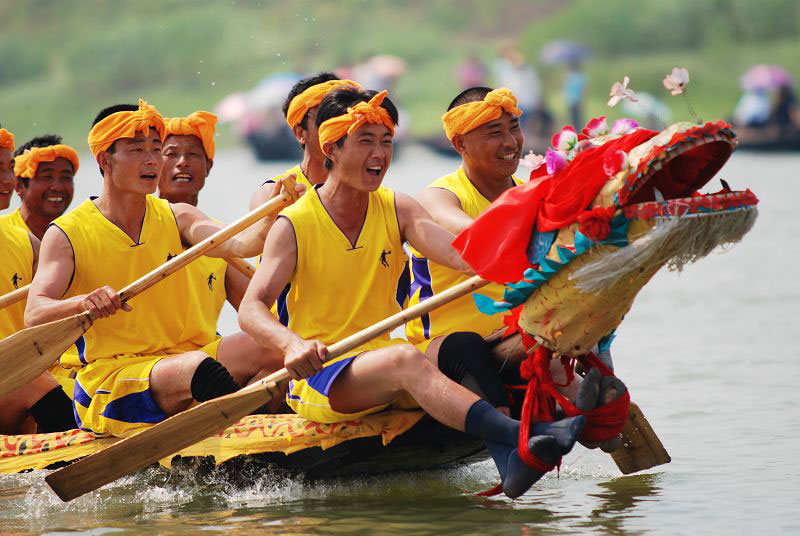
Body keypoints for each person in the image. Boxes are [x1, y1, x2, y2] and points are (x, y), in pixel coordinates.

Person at [239, 88, 584, 499]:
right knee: (406, 359)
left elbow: (462, 257)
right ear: (331, 147)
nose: (379, 155)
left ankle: (512, 460)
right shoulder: (292, 224)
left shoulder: (398, 207)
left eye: (386, 142)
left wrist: (558, 245)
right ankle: (522, 439)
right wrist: (291, 344)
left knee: (456, 349)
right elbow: (250, 308)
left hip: (381, 357)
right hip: (324, 373)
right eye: (365, 142)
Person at [24, 100, 289, 438]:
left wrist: (273, 213)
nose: (152, 159)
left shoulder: (178, 216)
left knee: (276, 346)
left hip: (187, 358)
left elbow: (240, 245)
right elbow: (35, 311)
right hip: (113, 380)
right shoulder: (66, 234)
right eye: (137, 150)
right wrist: (83, 302)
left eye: (155, 148)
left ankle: (241, 430)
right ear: (105, 160)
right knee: (199, 370)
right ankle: (241, 438)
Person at [406, 87, 525, 349]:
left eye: (513, 128)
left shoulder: (527, 192)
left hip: (514, 338)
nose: (510, 142)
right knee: (467, 348)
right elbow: (477, 235)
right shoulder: (437, 198)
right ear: (460, 144)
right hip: (445, 346)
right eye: (495, 133)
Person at [0, 127, 75, 434]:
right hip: (21, 378)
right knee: (32, 380)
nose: (8, 180)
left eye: (8, 169)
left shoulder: (24, 241)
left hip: (20, 372)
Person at [248, 73, 363, 211]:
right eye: (328, 120)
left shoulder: (381, 197)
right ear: (300, 133)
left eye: (349, 120)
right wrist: (273, 220)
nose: (340, 129)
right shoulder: (271, 195)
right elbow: (253, 233)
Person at [0, 134, 78, 239]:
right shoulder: (4, 233)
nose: (58, 187)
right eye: (47, 177)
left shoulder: (83, 235)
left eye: (66, 177)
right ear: (19, 186)